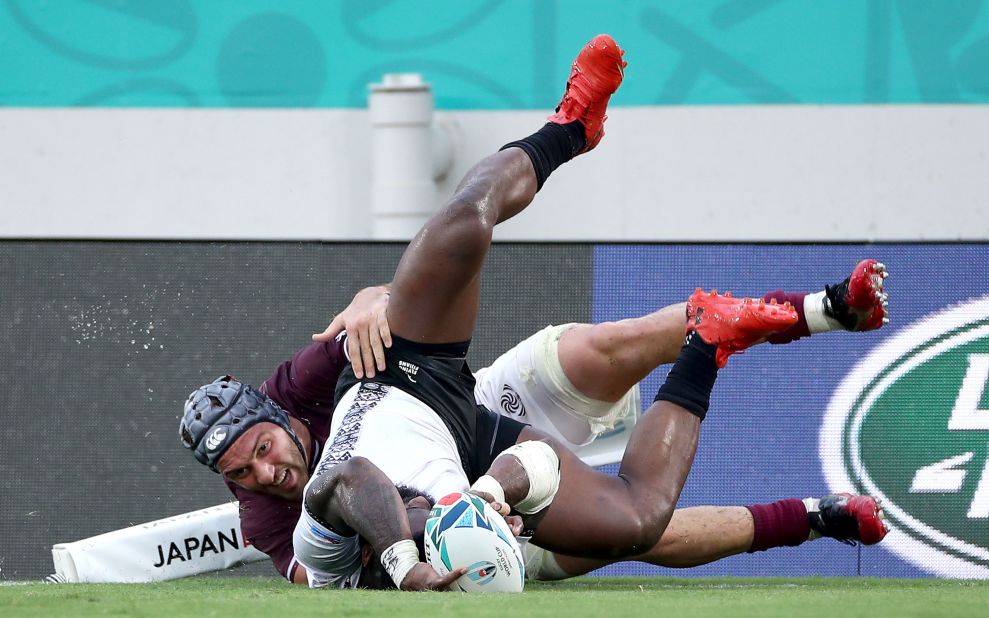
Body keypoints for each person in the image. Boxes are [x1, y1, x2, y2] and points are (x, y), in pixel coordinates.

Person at [179, 35, 890, 588]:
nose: (265, 476)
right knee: (637, 527)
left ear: (272, 418)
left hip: (413, 384)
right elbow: (528, 466)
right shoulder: (391, 526)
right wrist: (488, 501)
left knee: (470, 232)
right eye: (244, 476)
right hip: (485, 458)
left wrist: (371, 301)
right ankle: (716, 357)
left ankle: (569, 129)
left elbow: (348, 474)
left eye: (262, 454)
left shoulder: (309, 473)